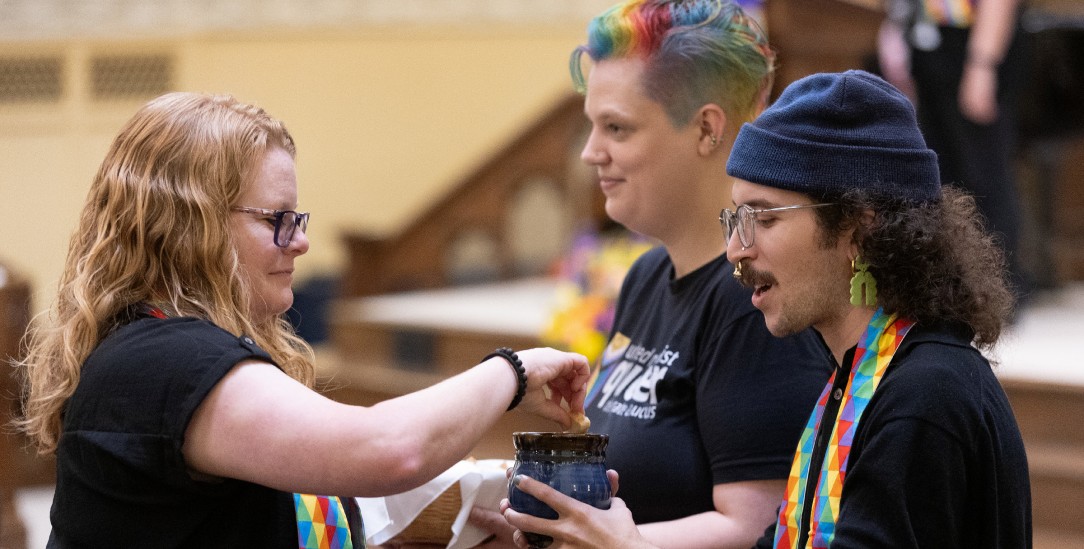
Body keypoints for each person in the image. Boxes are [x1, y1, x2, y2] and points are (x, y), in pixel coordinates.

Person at [16, 91, 591, 548]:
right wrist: (514, 371)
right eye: (279, 220)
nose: (302, 243)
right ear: (193, 226)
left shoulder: (167, 347)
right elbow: (388, 449)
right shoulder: (161, 360)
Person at [475, 1, 833, 548]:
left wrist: (598, 539)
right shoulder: (646, 275)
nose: (592, 153)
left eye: (616, 127)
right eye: (591, 126)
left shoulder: (755, 296)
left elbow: (758, 528)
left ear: (708, 128)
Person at [720, 70, 1028, 547]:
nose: (735, 250)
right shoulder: (856, 374)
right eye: (734, 219)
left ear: (859, 230)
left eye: (763, 217)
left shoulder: (925, 398)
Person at [878, 0, 1033, 303]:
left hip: (973, 50)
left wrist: (983, 65)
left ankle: (1000, 293)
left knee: (984, 175)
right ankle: (953, 290)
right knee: (940, 176)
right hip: (927, 46)